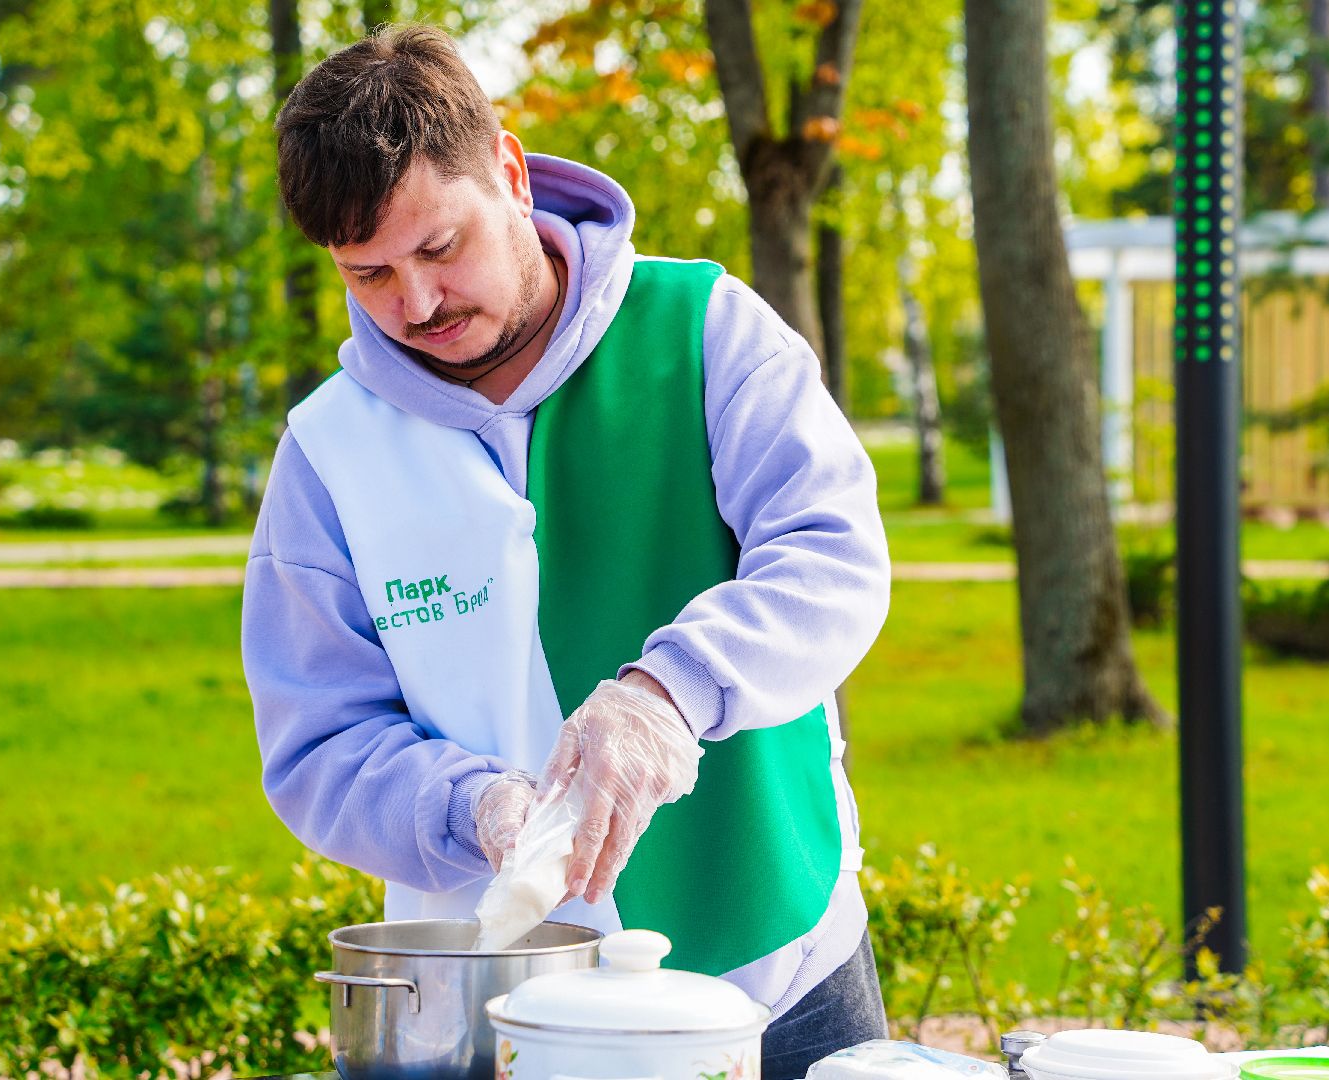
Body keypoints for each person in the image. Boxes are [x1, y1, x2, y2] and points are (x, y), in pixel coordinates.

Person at [240, 23, 892, 1079]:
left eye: (439, 248)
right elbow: (317, 745)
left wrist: (668, 694)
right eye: (369, 275)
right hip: (502, 1005)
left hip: (785, 965)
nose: (415, 305)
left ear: (506, 170)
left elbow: (832, 557)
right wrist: (475, 810)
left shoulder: (706, 328)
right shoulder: (330, 452)